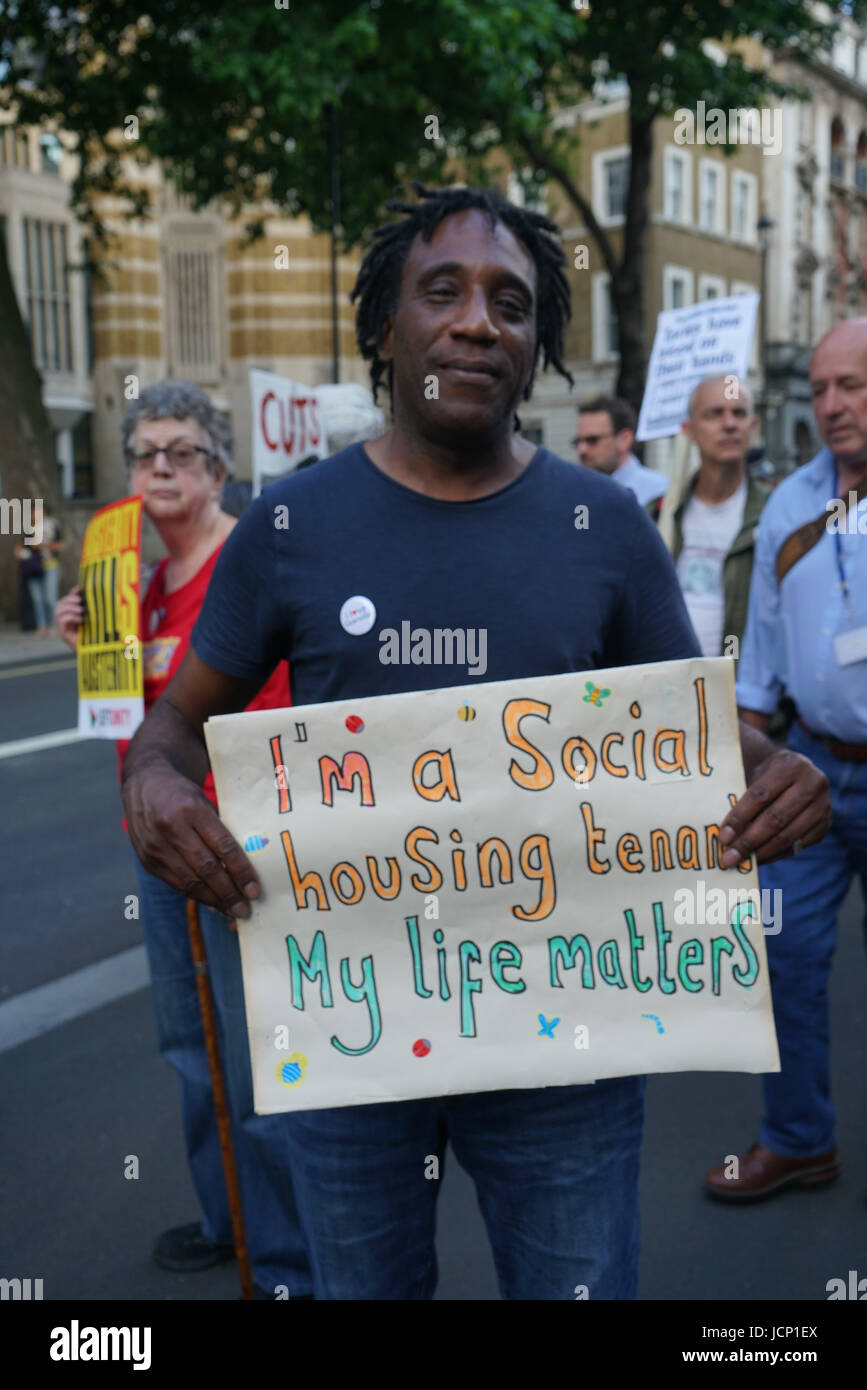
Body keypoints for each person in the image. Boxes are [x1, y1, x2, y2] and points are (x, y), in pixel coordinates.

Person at [121, 186, 830, 1301]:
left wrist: (781, 773)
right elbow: (172, 723)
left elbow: (696, 732)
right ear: (385, 328)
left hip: (572, 1050)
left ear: (538, 339)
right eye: (440, 291)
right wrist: (154, 783)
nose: (476, 321)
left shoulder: (604, 529)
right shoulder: (292, 526)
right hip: (348, 1039)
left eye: (512, 301)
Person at [55, 381, 312, 1298]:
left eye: (182, 453)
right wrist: (94, 641)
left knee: (257, 1059)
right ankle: (228, 1218)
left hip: (232, 845)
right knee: (187, 1048)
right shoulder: (135, 581)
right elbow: (125, 713)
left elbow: (275, 711)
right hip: (157, 843)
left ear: (220, 469)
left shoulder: (244, 563)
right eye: (144, 454)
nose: (159, 468)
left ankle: (285, 1261)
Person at [705, 318, 867, 1202]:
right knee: (778, 949)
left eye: (852, 386)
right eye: (820, 389)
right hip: (809, 765)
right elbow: (761, 649)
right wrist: (745, 754)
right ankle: (799, 1139)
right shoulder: (789, 507)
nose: (832, 405)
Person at [670, 375, 769, 660]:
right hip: (672, 687)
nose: (729, 424)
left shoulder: (774, 514)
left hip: (741, 691)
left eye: (738, 413)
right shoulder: (660, 514)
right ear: (688, 429)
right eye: (714, 414)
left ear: (753, 426)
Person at [574, 395, 668, 517]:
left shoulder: (659, 491)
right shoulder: (577, 495)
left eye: (592, 440)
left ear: (625, 440)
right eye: (577, 441)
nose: (582, 449)